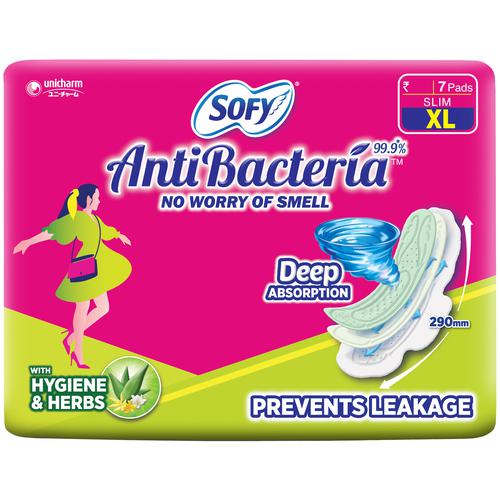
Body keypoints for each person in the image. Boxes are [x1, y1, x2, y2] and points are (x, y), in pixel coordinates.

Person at [13, 184, 132, 368]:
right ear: (89, 199)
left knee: (104, 308)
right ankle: (78, 351)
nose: (100, 201)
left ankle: (71, 338)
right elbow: (53, 231)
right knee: (83, 307)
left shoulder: (95, 219)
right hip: (85, 268)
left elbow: (106, 231)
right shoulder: (77, 218)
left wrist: (118, 235)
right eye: (97, 197)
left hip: (97, 267)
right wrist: (28, 242)